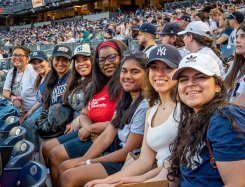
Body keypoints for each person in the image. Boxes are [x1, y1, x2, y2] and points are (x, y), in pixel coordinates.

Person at [86, 44, 182, 187]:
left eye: (167, 68)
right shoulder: (152, 110)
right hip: (158, 173)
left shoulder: (185, 108)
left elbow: (173, 167)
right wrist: (110, 180)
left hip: (172, 178)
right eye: (154, 68)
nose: (159, 74)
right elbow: (145, 160)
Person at [42, 39, 127, 187]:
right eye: (101, 59)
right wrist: (86, 128)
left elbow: (121, 122)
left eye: (112, 57)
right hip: (90, 131)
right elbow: (84, 113)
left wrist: (89, 129)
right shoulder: (98, 83)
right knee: (47, 148)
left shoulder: (125, 83)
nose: (106, 63)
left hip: (106, 137)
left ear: (122, 57)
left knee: (57, 157)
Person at [58, 50, 149, 187]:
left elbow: (127, 151)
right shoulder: (125, 101)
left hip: (131, 163)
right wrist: (84, 159)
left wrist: (90, 162)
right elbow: (107, 136)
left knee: (69, 176)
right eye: (124, 71)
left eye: (135, 72)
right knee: (64, 167)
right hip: (117, 153)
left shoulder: (143, 106)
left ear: (146, 75)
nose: (127, 76)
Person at [167, 53, 245, 187]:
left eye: (200, 77)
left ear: (217, 85)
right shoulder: (192, 118)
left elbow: (240, 183)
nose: (190, 84)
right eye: (183, 80)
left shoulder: (224, 119)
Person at [20, 51, 50, 151]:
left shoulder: (52, 75)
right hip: (42, 106)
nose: (37, 65)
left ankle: (34, 152)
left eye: (40, 61)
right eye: (34, 63)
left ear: (47, 61)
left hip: (49, 107)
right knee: (24, 122)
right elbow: (40, 100)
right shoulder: (39, 77)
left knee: (28, 125)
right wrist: (31, 111)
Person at [2, 45, 37, 118]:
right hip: (15, 109)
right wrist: (14, 98)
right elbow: (5, 92)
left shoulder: (33, 72)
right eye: (15, 55)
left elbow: (43, 97)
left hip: (32, 111)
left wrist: (28, 112)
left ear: (27, 59)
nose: (17, 58)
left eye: (21, 55)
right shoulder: (11, 72)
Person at [224, 24, 245, 109]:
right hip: (229, 111)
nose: (237, 41)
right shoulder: (235, 65)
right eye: (237, 37)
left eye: (243, 36)